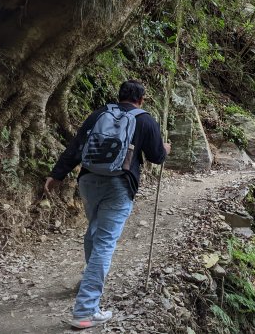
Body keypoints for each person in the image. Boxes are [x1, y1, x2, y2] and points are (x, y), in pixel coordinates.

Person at [44, 80, 170, 329]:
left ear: (119, 96)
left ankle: (87, 284)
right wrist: (165, 148)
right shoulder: (145, 120)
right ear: (141, 99)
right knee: (104, 242)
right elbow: (156, 156)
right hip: (119, 184)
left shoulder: (100, 114)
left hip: (88, 180)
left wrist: (57, 174)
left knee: (94, 231)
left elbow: (77, 146)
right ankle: (85, 311)